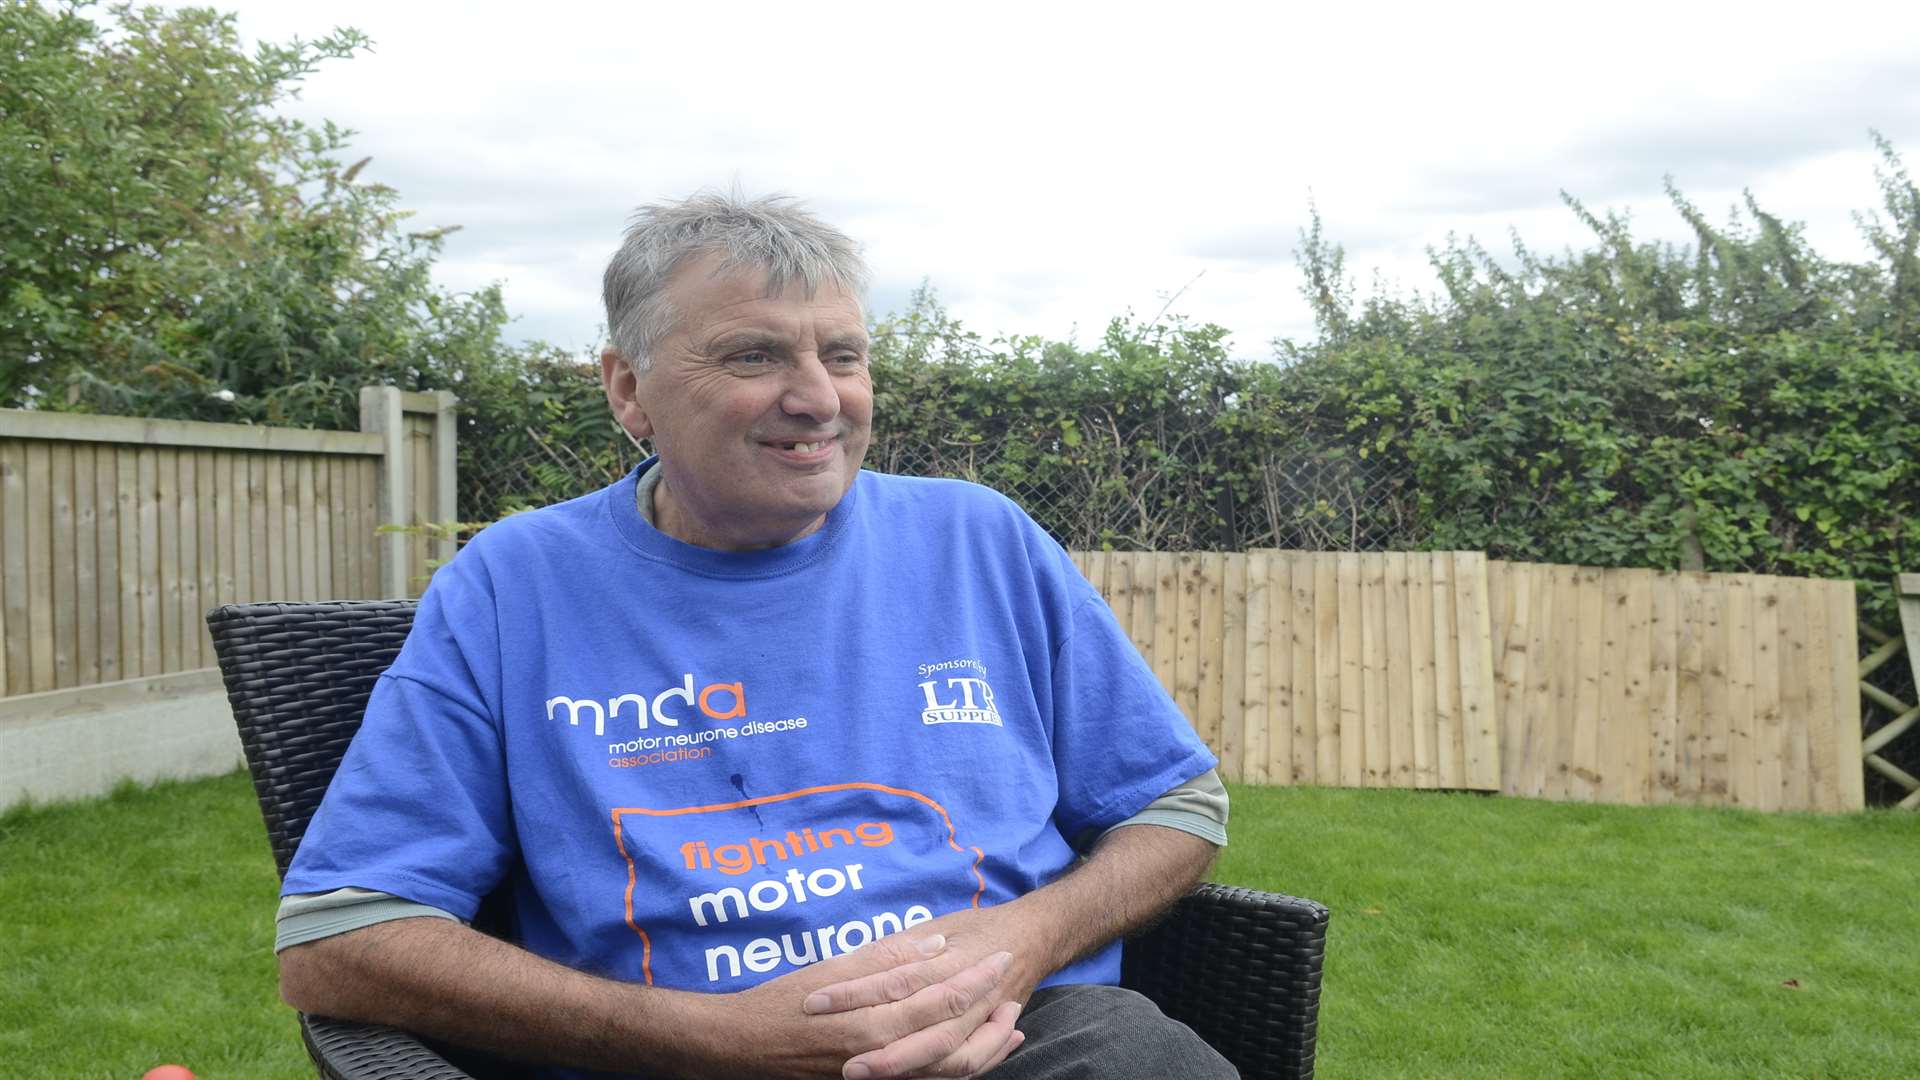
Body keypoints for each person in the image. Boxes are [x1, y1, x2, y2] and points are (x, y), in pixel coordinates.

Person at [273, 192, 1236, 1080]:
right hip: (674, 1055)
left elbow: (1177, 806)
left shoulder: (979, 540)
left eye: (844, 356)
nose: (820, 398)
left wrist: (1022, 941)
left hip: (1015, 1046)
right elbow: (342, 938)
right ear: (628, 389)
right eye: (753, 355)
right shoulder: (511, 587)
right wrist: (722, 1040)